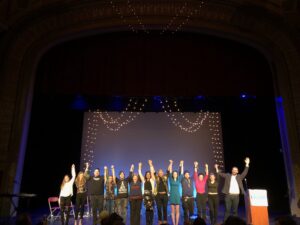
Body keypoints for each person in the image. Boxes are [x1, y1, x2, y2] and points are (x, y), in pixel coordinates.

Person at [149, 160, 169, 225]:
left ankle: (165, 220)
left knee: (165, 208)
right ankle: (160, 220)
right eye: (159, 172)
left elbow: (168, 171)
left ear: (163, 173)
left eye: (161, 172)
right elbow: (153, 171)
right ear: (158, 173)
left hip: (165, 195)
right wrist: (151, 164)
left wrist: (170, 163)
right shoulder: (156, 177)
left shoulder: (165, 177)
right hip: (158, 195)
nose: (160, 173)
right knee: (159, 209)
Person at [168, 160, 184, 225]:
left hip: (177, 196)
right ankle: (173, 223)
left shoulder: (179, 179)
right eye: (174, 174)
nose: (175, 174)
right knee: (172, 211)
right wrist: (171, 163)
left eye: (176, 174)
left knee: (177, 211)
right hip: (172, 196)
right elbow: (170, 171)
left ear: (177, 175)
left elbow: (182, 173)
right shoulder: (170, 179)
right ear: (172, 175)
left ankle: (177, 223)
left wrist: (182, 164)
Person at [141, 161, 155, 225]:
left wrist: (150, 165)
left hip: (151, 197)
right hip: (145, 198)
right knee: (147, 211)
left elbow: (152, 172)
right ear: (145, 175)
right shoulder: (143, 181)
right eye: (147, 174)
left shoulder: (152, 180)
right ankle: (147, 223)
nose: (148, 175)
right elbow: (140, 173)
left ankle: (151, 223)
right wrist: (139, 167)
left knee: (151, 211)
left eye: (149, 174)